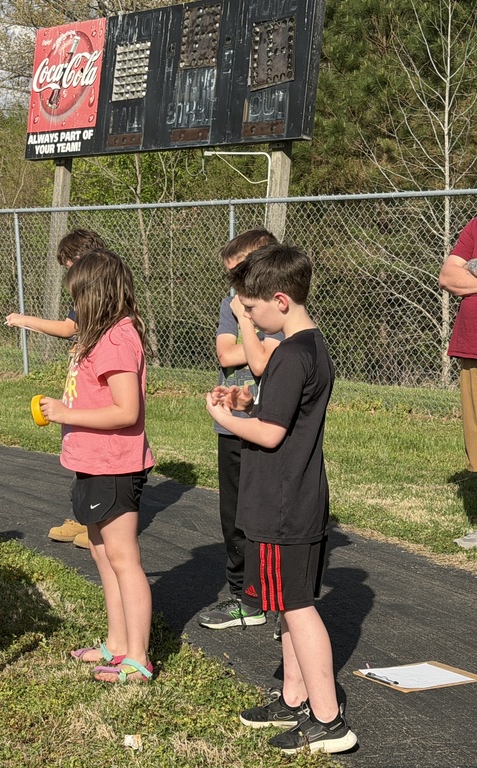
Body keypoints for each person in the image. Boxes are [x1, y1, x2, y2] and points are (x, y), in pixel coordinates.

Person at [205, 244, 357, 755]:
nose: (248, 318)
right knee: (290, 606)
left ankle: (328, 719)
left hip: (284, 500)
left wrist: (225, 418)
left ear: (280, 300)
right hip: (298, 496)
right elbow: (283, 409)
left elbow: (270, 434)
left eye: (251, 310)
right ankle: (295, 698)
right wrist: (250, 400)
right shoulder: (310, 348)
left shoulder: (291, 354)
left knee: (297, 608)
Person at [35, 249, 156, 681]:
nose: (73, 306)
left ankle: (137, 660)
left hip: (115, 466)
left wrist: (66, 415)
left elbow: (126, 411)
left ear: (97, 295)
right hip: (92, 462)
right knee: (104, 556)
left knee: (124, 559)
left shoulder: (119, 339)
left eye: (77, 296)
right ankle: (117, 643)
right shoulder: (98, 335)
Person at [199, 228, 282, 631]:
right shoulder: (230, 305)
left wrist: (249, 334)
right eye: (230, 277)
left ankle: (269, 595)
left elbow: (263, 359)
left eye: (240, 273)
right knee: (233, 515)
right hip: (232, 427)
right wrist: (252, 341)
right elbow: (226, 353)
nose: (234, 285)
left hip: (269, 426)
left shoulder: (282, 307)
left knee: (265, 514)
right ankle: (241, 595)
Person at [5, 228, 106, 548]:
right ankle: (85, 519)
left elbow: (74, 330)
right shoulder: (83, 293)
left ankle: (100, 526)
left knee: (100, 456)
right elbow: (74, 330)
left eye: (69, 264)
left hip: (99, 389)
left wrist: (25, 320)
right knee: (82, 454)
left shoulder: (104, 292)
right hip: (82, 382)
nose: (67, 271)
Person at [437, 217, 477, 549]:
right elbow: (448, 276)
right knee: (476, 441)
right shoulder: (476, 226)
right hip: (473, 347)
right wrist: (466, 270)